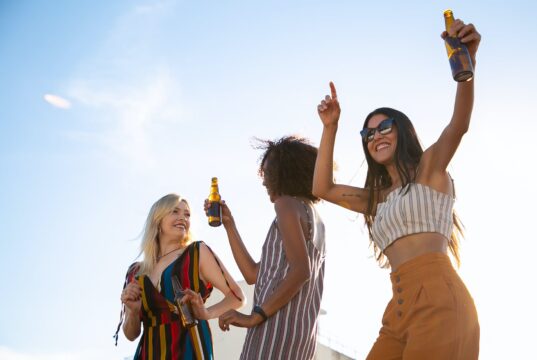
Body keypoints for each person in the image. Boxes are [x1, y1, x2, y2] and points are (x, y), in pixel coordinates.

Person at [313, 19, 481, 359]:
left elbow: (458, 125)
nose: (376, 136)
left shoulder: (429, 170)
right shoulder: (375, 199)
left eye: (384, 127)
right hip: (397, 311)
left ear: (401, 129)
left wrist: (467, 68)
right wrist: (331, 127)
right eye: (368, 134)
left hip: (440, 302)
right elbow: (323, 187)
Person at [215, 136, 326, 360]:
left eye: (267, 172)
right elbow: (253, 274)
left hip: (274, 328)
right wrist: (230, 225)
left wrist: (255, 316)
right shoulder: (314, 217)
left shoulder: (286, 205)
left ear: (285, 172)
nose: (264, 181)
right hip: (299, 335)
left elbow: (301, 271)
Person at [114, 194, 245, 360]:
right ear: (157, 220)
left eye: (187, 214)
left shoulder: (197, 253)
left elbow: (237, 296)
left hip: (189, 349)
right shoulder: (135, 272)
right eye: (175, 212)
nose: (182, 218)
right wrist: (132, 312)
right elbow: (131, 334)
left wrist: (206, 313)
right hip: (149, 353)